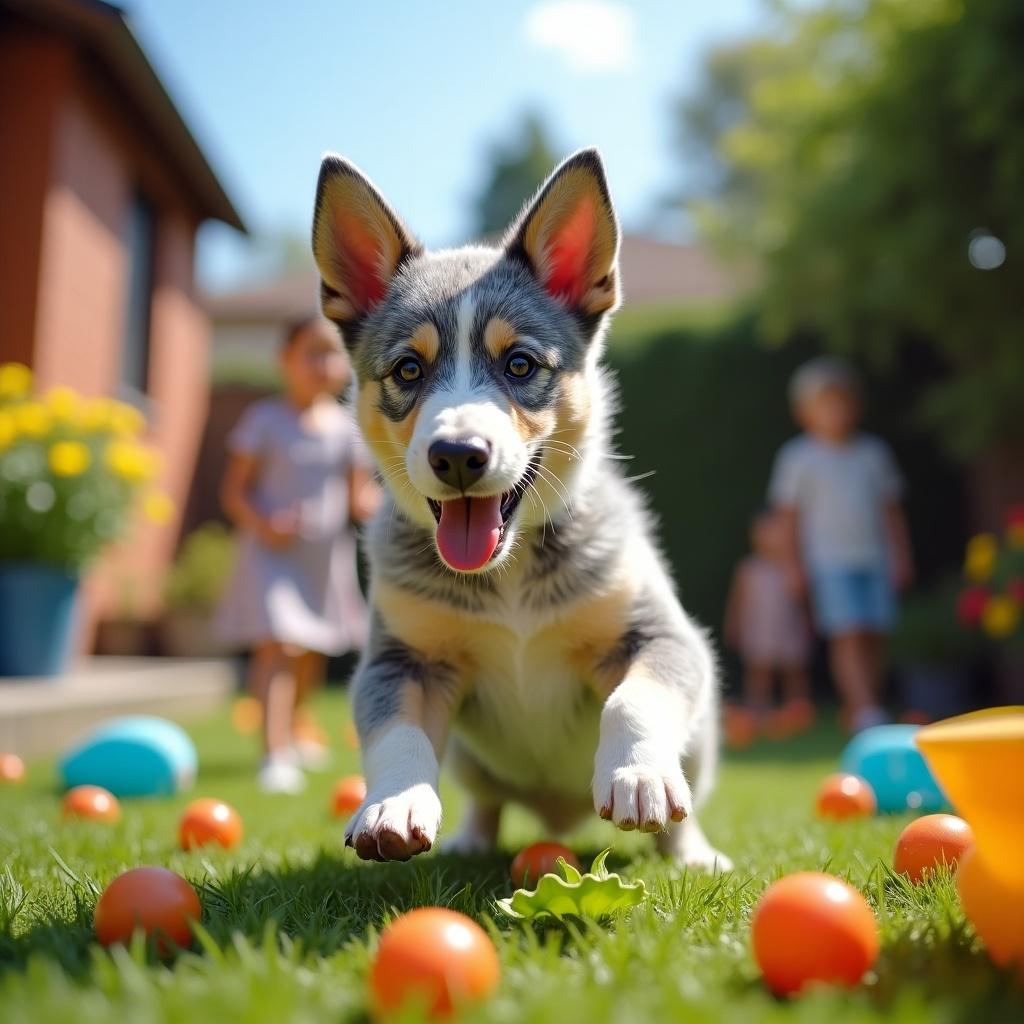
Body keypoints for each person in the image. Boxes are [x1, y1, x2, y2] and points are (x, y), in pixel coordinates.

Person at [216, 316, 380, 792]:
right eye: (311, 352)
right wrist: (264, 521)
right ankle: (275, 752)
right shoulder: (264, 421)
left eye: (332, 354)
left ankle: (297, 727)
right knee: (281, 644)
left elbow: (359, 499)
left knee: (308, 648)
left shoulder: (348, 427)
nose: (323, 364)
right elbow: (235, 492)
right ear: (283, 360)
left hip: (322, 558)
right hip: (272, 554)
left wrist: (404, 511)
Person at [768, 356, 913, 733]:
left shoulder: (873, 454)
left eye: (842, 402)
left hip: (875, 559)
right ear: (805, 413)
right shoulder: (798, 459)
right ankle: (864, 708)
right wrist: (792, 566)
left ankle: (868, 705)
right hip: (828, 563)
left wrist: (900, 556)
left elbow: (890, 512)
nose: (835, 411)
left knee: (873, 633)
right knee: (847, 634)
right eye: (825, 404)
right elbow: (788, 519)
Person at [724, 510, 812, 727]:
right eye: (763, 533)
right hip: (759, 630)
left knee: (794, 672)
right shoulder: (749, 569)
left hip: (789, 629)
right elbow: (737, 601)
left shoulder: (793, 570)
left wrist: (809, 624)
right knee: (759, 673)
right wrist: (733, 625)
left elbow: (804, 602)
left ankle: (798, 711)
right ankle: (758, 713)